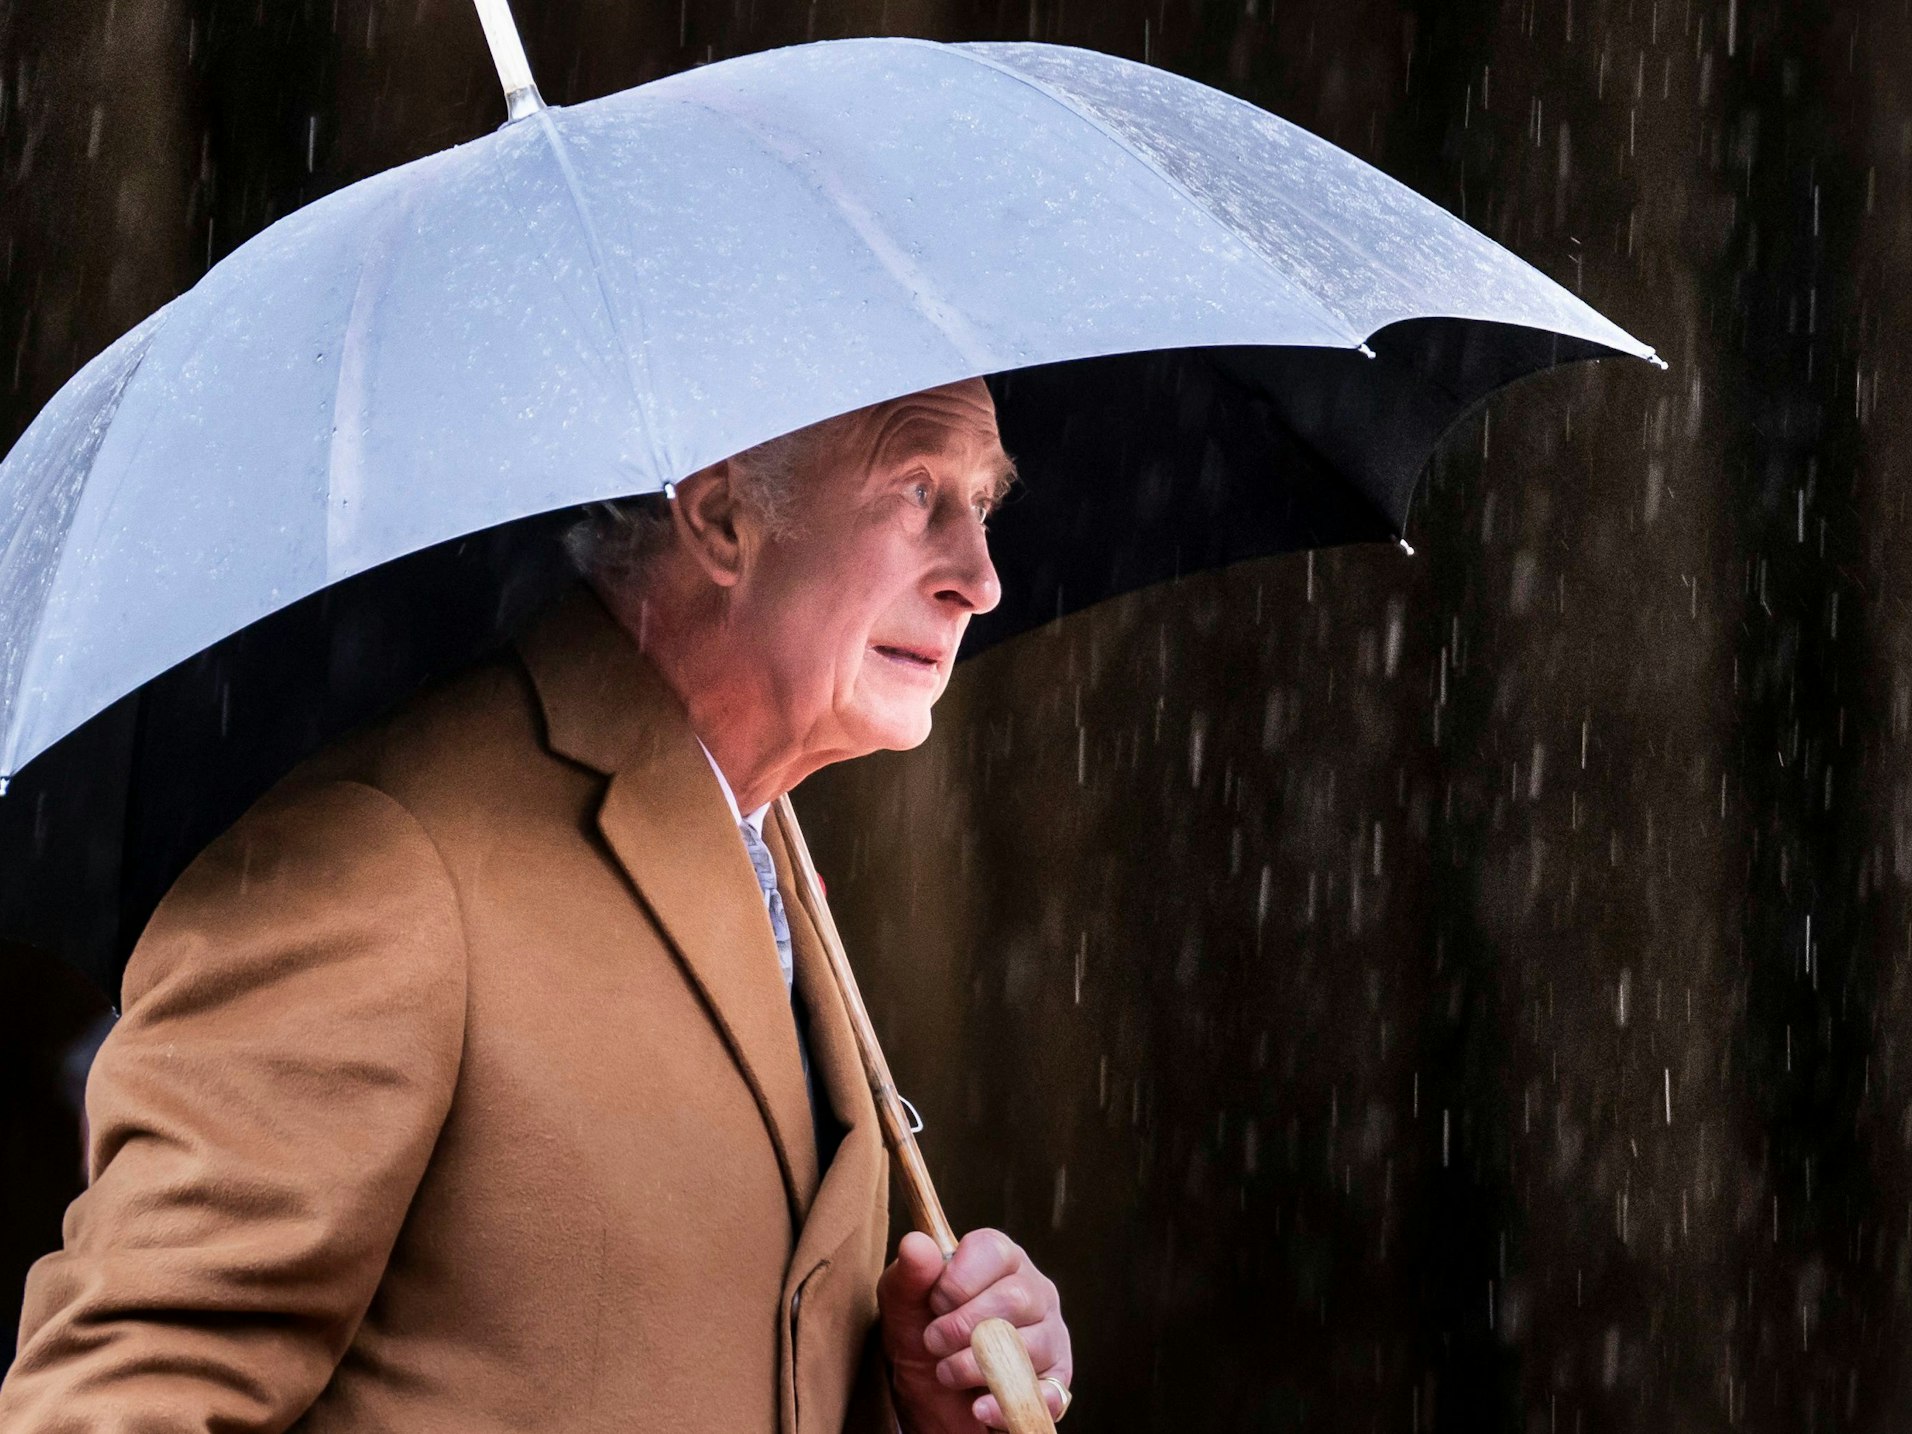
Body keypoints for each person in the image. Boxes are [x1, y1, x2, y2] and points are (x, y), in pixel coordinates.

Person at [0, 377, 1074, 1433]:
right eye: (916, 494)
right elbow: (117, 1399)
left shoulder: (765, 846)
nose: (978, 579)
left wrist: (918, 1402)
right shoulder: (382, 856)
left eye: (981, 505)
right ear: (719, 515)